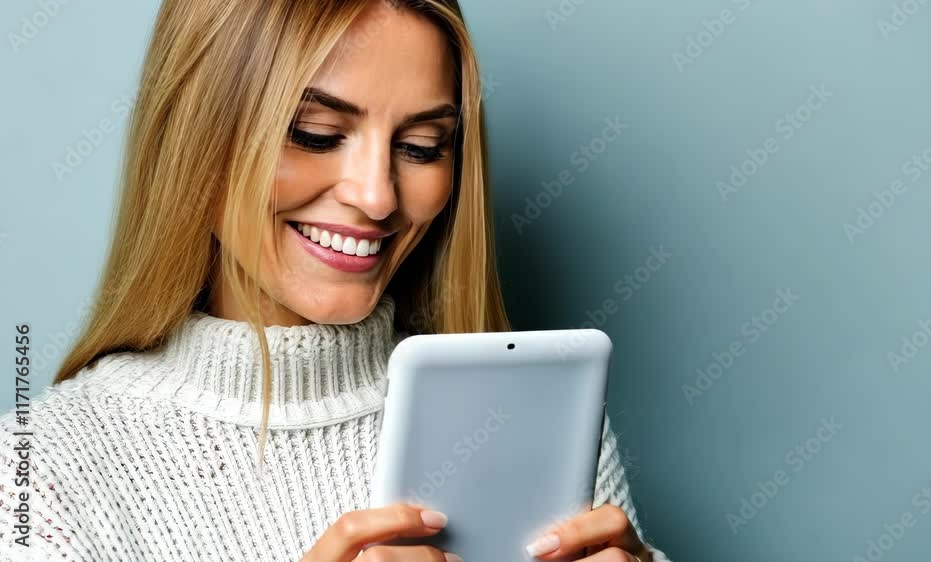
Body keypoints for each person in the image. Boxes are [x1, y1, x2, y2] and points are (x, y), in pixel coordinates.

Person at [0, 1, 668, 560]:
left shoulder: (538, 417)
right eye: (315, 133)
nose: (378, 196)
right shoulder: (39, 473)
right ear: (196, 137)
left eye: (421, 148)